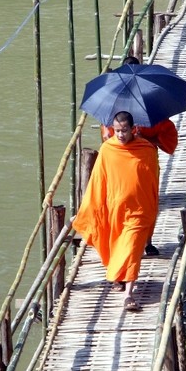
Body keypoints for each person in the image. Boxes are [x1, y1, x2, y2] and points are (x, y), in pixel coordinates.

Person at [73, 111, 159, 312]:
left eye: (124, 130)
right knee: (117, 245)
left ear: (133, 129)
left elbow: (153, 180)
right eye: (117, 131)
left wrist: (151, 205)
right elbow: (97, 181)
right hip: (115, 209)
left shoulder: (145, 149)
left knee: (132, 246)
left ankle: (129, 294)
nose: (120, 135)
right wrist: (93, 207)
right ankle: (118, 275)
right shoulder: (107, 150)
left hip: (138, 211)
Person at [100, 56, 178, 257]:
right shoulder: (119, 104)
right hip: (123, 162)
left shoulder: (144, 105)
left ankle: (147, 242)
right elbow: (108, 135)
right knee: (120, 202)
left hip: (145, 162)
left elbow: (167, 138)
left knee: (147, 202)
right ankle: (121, 241)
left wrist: (146, 141)